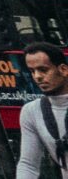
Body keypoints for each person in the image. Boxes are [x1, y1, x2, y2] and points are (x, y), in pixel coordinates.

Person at [21, 41, 68, 179]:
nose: (37, 77)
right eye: (32, 71)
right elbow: (28, 164)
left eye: (43, 70)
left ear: (63, 70)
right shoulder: (31, 111)